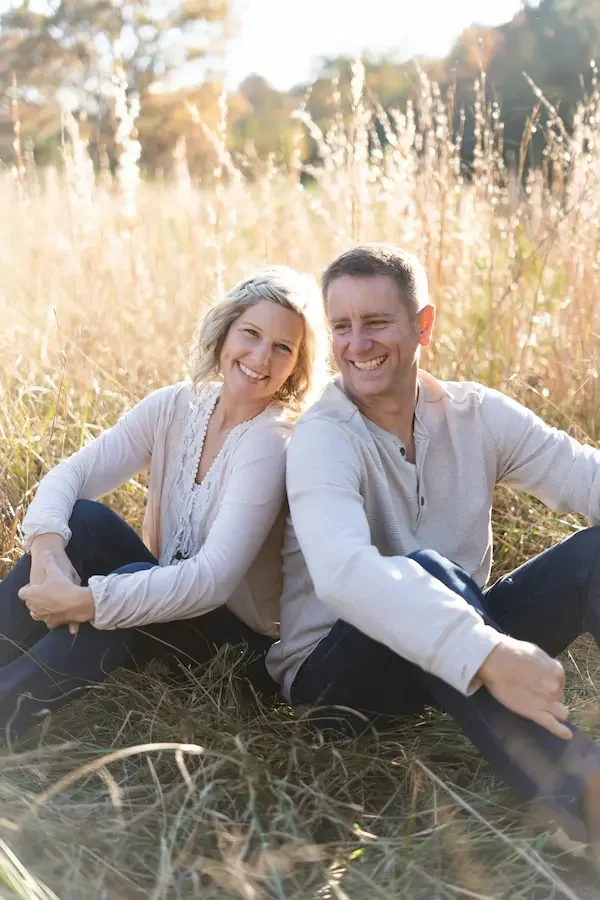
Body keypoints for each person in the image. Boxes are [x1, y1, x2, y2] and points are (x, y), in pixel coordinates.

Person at [266, 243, 600, 852]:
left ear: (423, 325)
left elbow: (583, 476)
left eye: (376, 323)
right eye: (341, 326)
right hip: (338, 677)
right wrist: (490, 649)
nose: (356, 344)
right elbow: (344, 574)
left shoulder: (475, 414)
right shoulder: (324, 436)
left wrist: (484, 645)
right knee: (424, 571)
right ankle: (583, 796)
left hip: (460, 649)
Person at [1, 265, 327, 739]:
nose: (261, 357)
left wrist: (87, 602)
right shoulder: (177, 405)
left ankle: (7, 713)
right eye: (251, 333)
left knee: (129, 584)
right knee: (82, 521)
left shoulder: (272, 440)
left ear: (296, 364)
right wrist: (48, 553)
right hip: (168, 605)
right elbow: (72, 473)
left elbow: (211, 582)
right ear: (224, 333)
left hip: (234, 651)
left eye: (283, 347)